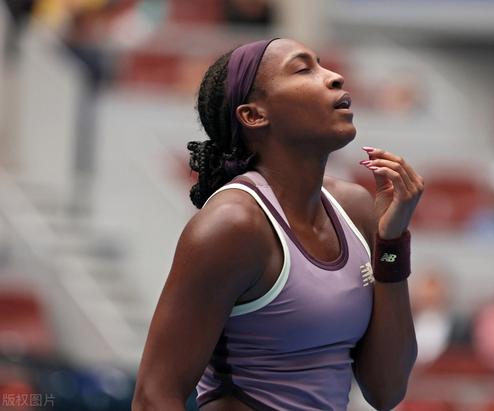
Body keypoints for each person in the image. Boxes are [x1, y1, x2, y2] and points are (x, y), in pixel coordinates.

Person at [131, 38, 423, 411]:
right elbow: (153, 397)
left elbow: (387, 390)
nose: (334, 76)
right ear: (254, 115)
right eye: (303, 69)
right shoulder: (232, 226)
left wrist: (391, 242)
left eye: (322, 64)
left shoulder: (355, 207)